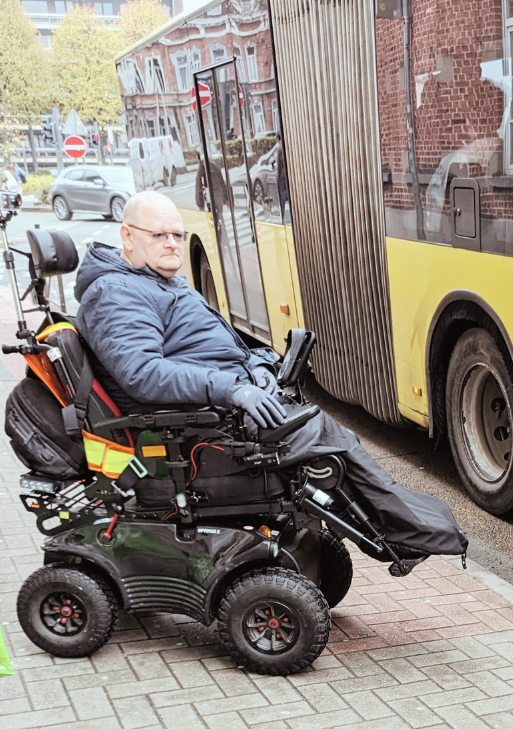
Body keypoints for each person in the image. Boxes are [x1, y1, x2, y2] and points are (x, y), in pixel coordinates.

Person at [74, 191, 467, 562]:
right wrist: (234, 389)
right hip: (192, 429)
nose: (173, 243)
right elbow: (142, 373)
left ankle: (400, 527)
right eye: (158, 235)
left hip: (215, 408)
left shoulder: (152, 282)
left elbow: (217, 350)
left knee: (319, 430)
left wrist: (259, 367)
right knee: (319, 436)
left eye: (177, 234)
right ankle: (397, 532)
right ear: (127, 236)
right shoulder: (115, 292)